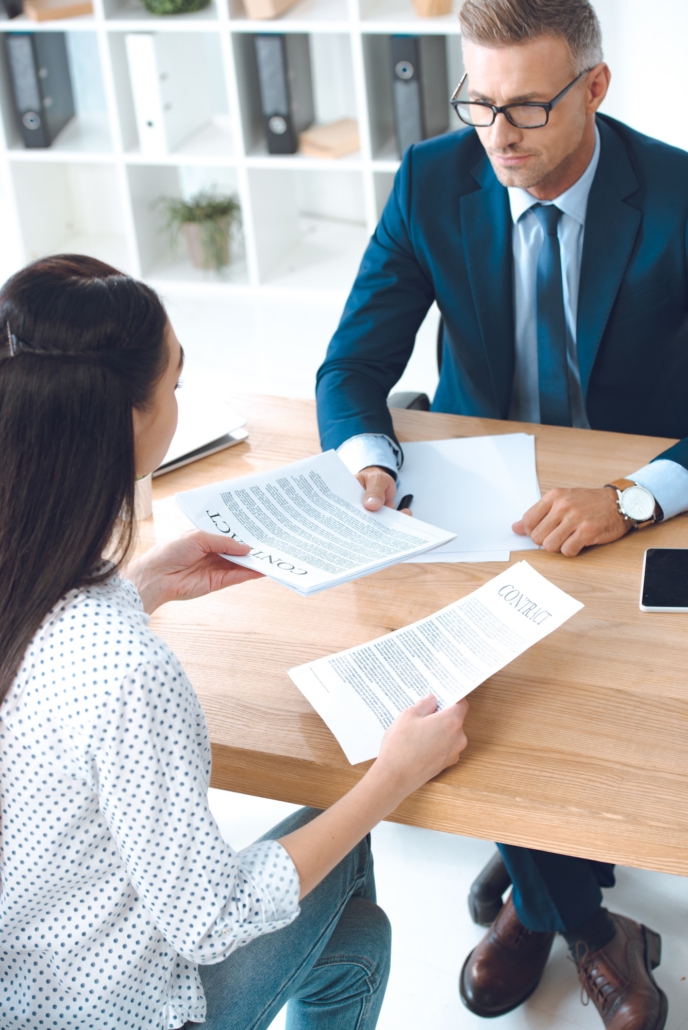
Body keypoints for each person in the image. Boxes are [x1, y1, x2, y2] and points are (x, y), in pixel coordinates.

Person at [315, 1, 683, 1027]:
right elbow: (352, 362)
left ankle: (535, 903)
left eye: (526, 107)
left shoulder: (678, 191)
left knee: (591, 693)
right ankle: (586, 921)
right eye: (478, 103)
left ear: (594, 89)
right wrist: (369, 456)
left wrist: (631, 496)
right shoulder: (435, 177)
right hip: (481, 500)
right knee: (469, 677)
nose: (497, 137)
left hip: (634, 508)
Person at [0, 255, 470, 1030]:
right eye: (175, 384)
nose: (180, 397)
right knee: (347, 853)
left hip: (29, 977)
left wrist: (142, 585)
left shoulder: (39, 584)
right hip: (113, 1010)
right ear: (129, 419)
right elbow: (210, 919)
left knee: (356, 939)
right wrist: (393, 777)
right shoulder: (125, 674)